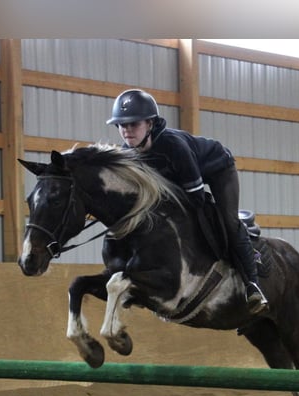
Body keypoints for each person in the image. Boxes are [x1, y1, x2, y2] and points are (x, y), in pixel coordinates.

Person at [106, 88, 269, 314]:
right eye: (122, 125)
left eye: (133, 124)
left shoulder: (174, 146)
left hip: (218, 168)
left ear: (150, 124)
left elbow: (195, 195)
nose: (127, 130)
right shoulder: (128, 154)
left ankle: (253, 286)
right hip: (181, 180)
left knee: (228, 221)